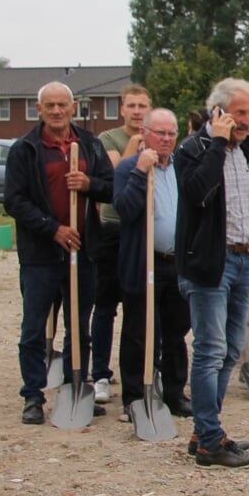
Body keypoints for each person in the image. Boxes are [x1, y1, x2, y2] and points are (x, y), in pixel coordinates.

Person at [5, 81, 115, 425]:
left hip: (82, 250)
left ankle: (75, 385)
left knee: (79, 325)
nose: (56, 111)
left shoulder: (90, 146)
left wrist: (89, 185)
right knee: (34, 328)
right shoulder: (25, 148)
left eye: (62, 105)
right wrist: (53, 229)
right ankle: (33, 395)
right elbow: (14, 201)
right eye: (49, 105)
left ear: (72, 108)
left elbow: (112, 189)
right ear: (39, 110)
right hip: (41, 254)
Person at [175, 78, 249, 469]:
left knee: (230, 350)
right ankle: (211, 440)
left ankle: (204, 430)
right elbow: (197, 193)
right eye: (239, 113)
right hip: (208, 263)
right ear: (219, 112)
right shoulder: (193, 149)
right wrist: (216, 142)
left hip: (241, 258)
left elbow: (244, 200)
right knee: (209, 350)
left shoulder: (244, 151)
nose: (246, 121)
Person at [112, 108, 193, 419]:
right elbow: (126, 209)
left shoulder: (180, 168)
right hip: (143, 262)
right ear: (144, 133)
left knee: (177, 331)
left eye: (172, 133)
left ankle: (174, 393)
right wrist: (139, 173)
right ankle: (134, 396)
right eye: (160, 133)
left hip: (177, 262)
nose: (167, 139)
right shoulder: (129, 167)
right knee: (139, 331)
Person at [89, 84, 152, 406]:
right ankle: (99, 372)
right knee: (105, 304)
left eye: (143, 106)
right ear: (122, 109)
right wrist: (133, 147)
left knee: (140, 306)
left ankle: (142, 369)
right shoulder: (109, 139)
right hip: (114, 227)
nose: (138, 111)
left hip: (145, 230)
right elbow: (116, 176)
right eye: (132, 106)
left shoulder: (157, 138)